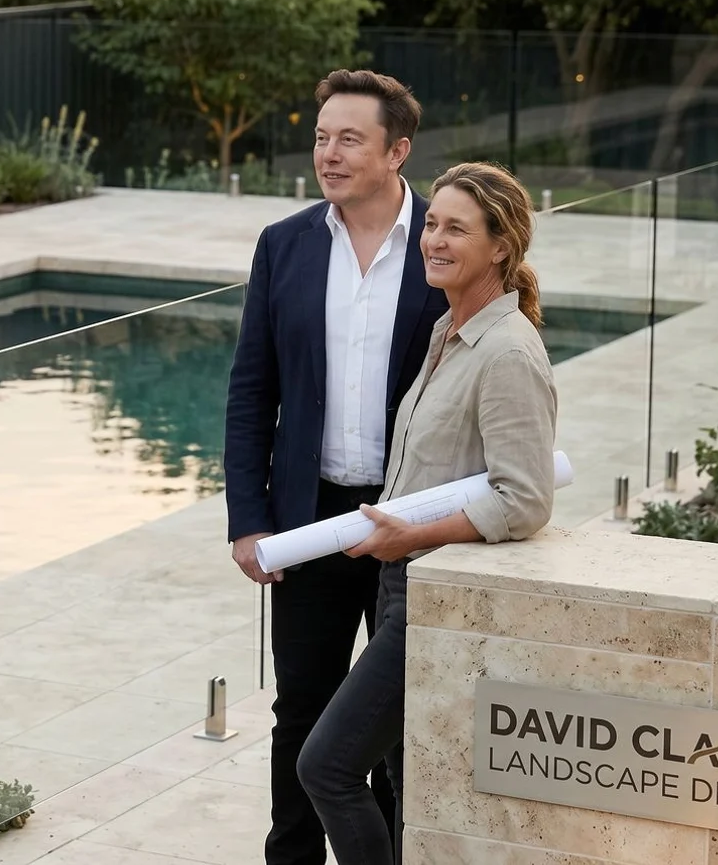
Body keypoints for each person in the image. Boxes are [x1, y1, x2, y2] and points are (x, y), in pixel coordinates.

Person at [294, 161, 560, 865]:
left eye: (456, 229)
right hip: (400, 584)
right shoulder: (449, 332)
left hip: (432, 594)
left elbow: (525, 498)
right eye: (432, 224)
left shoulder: (507, 351)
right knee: (406, 781)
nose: (434, 240)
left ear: (500, 246)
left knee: (325, 765)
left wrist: (415, 536)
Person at [224, 69, 448, 865]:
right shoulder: (283, 244)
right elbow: (252, 390)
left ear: (398, 151)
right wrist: (250, 520)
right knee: (304, 710)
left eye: (349, 137)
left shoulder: (442, 242)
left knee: (395, 721)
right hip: (310, 520)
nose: (328, 151)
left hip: (412, 523)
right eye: (321, 135)